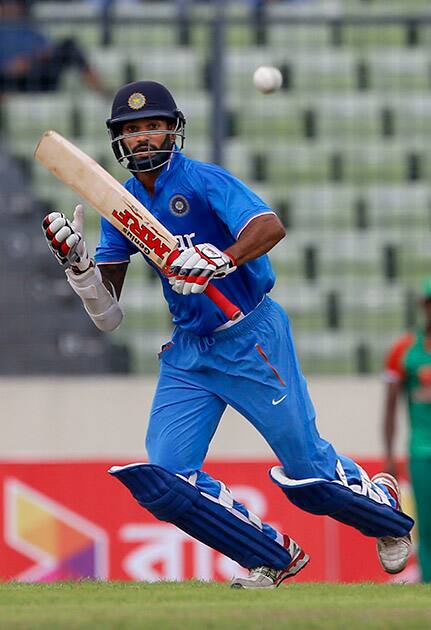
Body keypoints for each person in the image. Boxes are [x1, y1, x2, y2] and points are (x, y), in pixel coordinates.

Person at [41, 79, 414, 588]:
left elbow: (270, 226)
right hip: (191, 353)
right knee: (168, 481)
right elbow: (109, 316)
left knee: (307, 475)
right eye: (133, 130)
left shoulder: (203, 180)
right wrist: (81, 270)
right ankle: (270, 555)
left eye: (154, 126)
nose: (144, 138)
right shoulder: (122, 206)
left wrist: (224, 257)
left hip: (250, 337)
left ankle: (384, 510)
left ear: (174, 131)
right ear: (119, 141)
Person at [382, 278, 431, 583]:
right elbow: (389, 407)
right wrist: (388, 455)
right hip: (422, 451)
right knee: (427, 526)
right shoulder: (405, 349)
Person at [0, 0, 108, 98]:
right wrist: (10, 67)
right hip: (10, 80)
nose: (12, 9)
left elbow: (47, 50)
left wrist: (34, 58)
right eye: (7, 5)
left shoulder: (29, 29)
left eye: (15, 5)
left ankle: (99, 88)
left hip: (37, 75)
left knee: (68, 45)